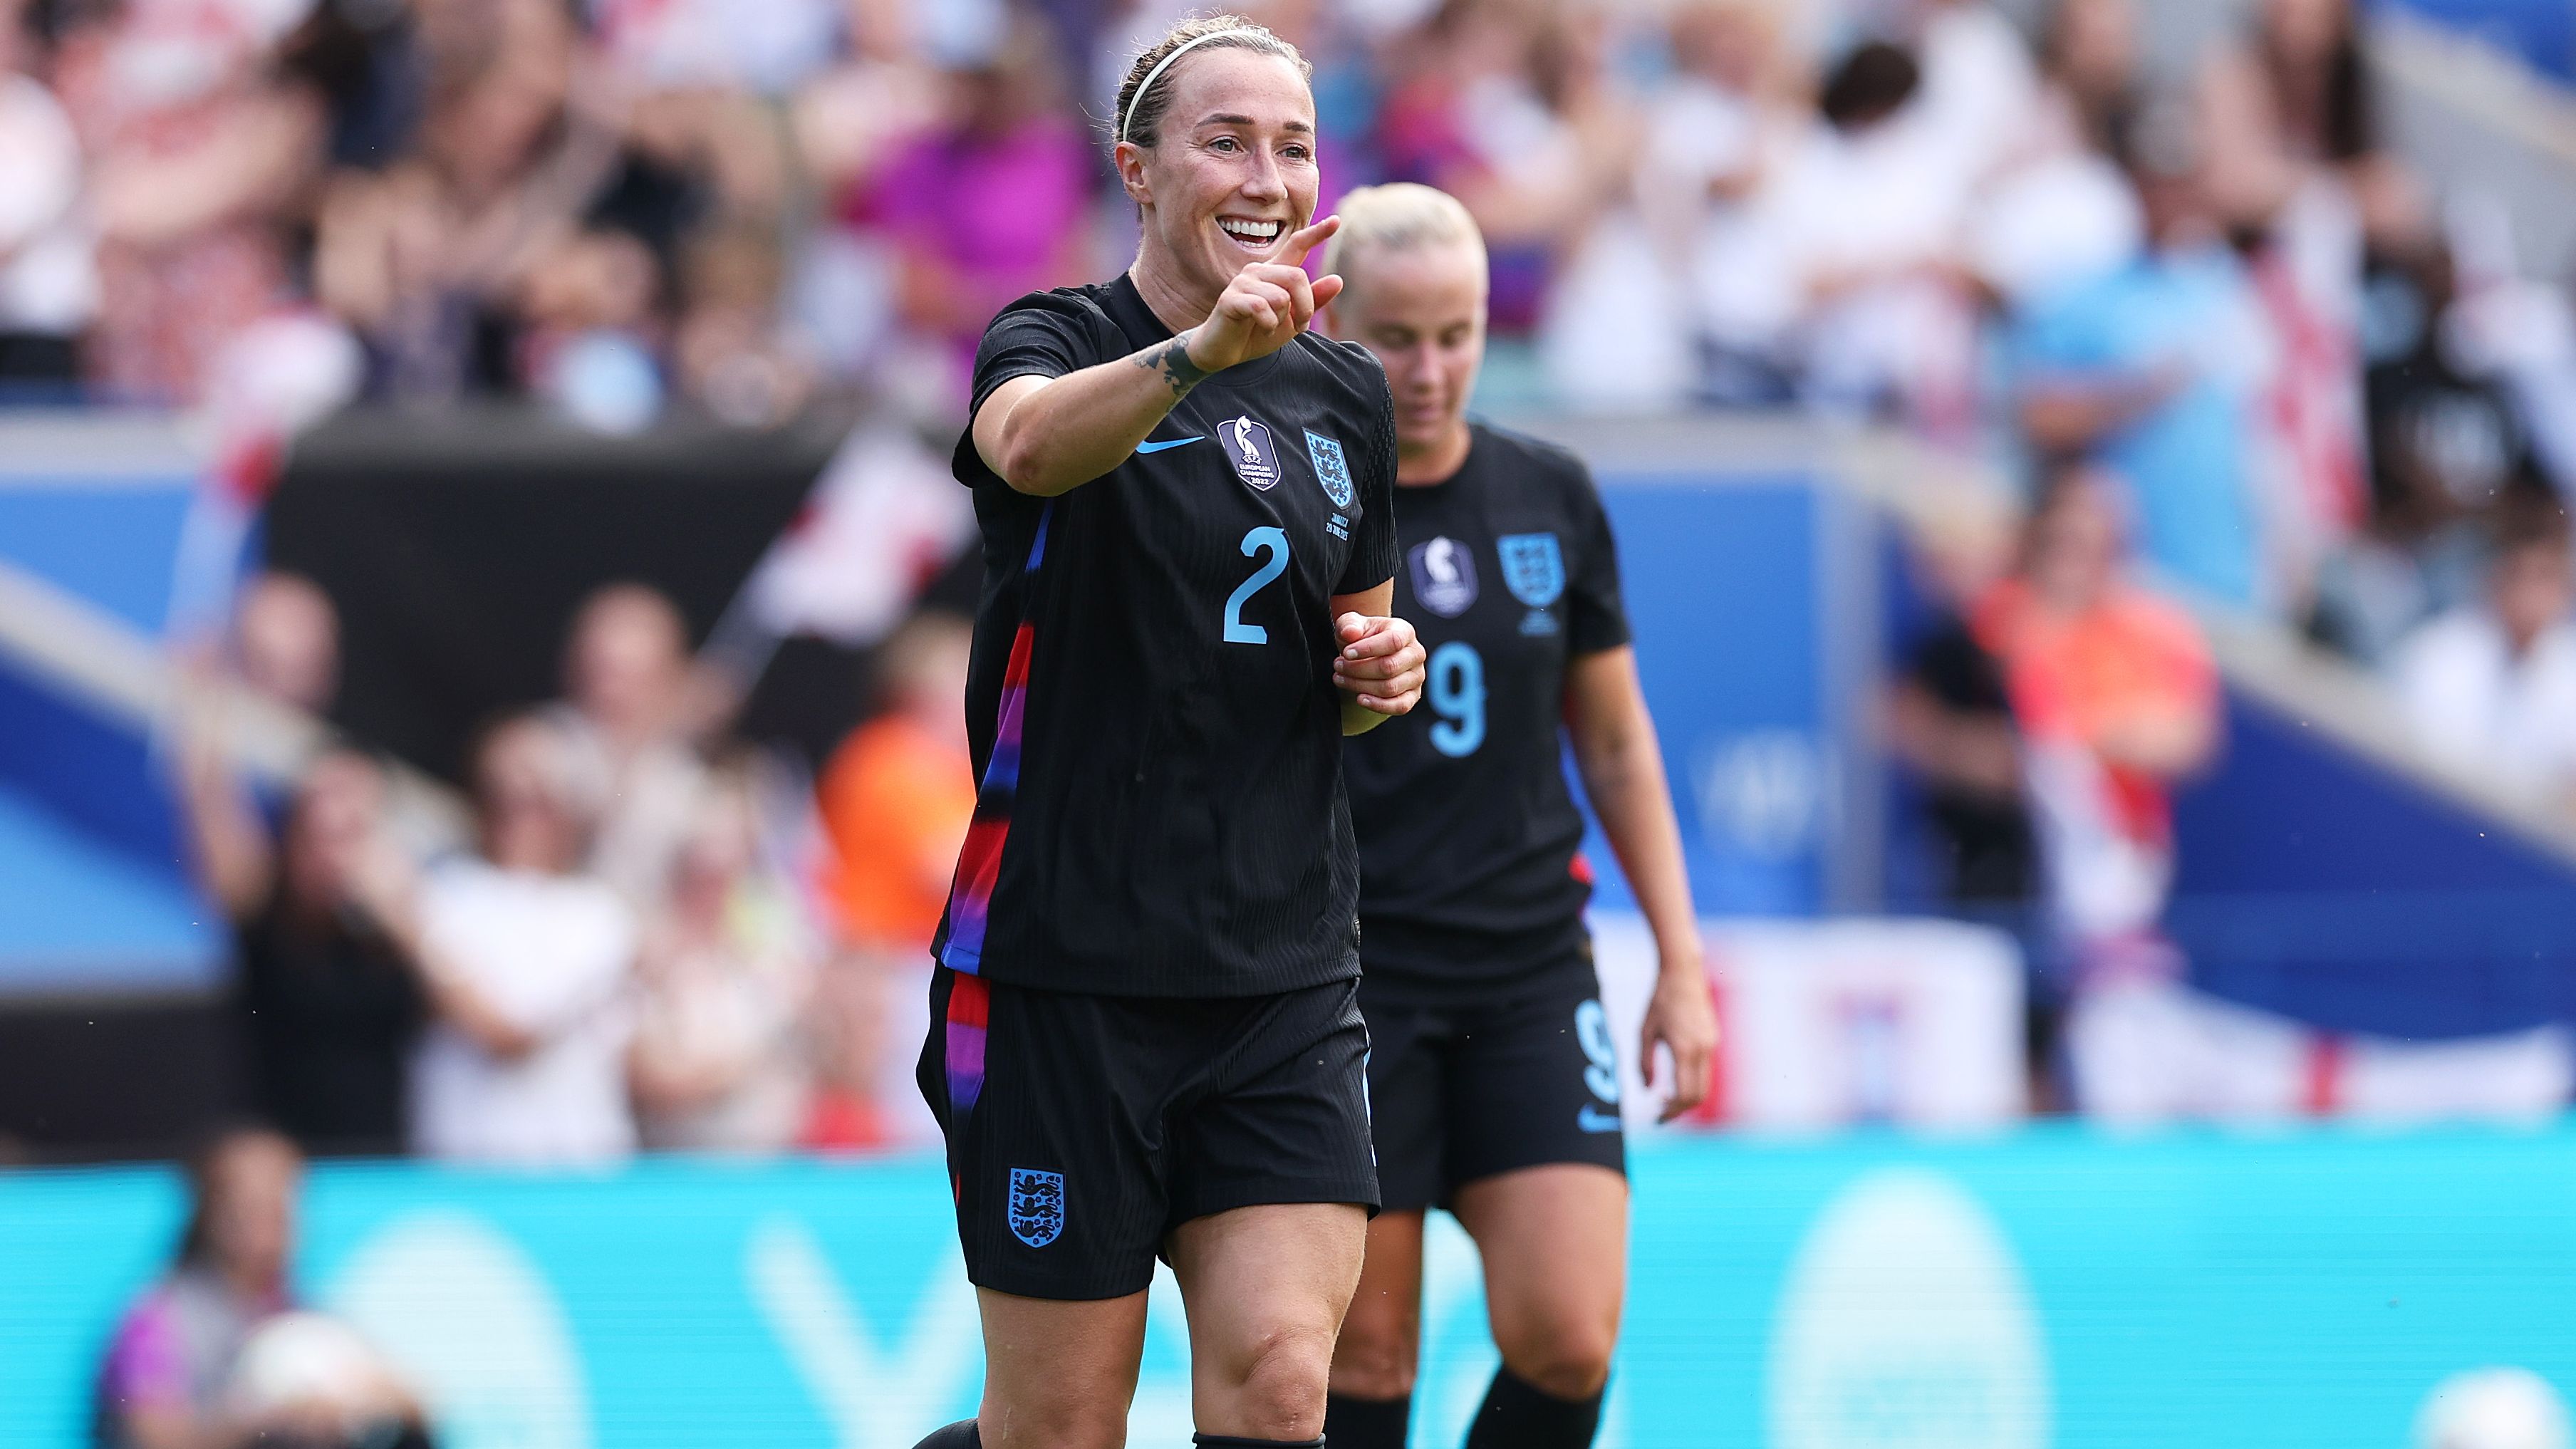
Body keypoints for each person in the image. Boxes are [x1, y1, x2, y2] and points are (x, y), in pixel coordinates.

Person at [913, 15, 1425, 1449]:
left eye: (1293, 145)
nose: (1267, 176)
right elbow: (1026, 449)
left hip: (1280, 980)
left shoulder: (1344, 395)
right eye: (1225, 140)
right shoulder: (1052, 337)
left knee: (1279, 1384)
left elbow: (1348, 665)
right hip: (1058, 973)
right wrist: (1201, 354)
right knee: (1059, 1423)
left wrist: (1380, 670)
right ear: (1136, 170)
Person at [1313, 182, 1715, 1449]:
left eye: (1459, 334)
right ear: (1334, 325)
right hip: (1348, 975)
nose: (1431, 370)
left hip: (1529, 961)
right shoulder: (1293, 499)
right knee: (1365, 1352)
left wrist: (1681, 961)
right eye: (1397, 337)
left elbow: (1615, 738)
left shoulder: (1550, 491)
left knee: (1570, 1335)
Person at [378, 714, 641, 1165]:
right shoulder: (444, 890)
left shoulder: (599, 913)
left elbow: (511, 1032)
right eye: (498, 792)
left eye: (534, 796)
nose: (514, 809)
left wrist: (414, 932)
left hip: (578, 1169)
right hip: (461, 1170)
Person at [93, 1126, 424, 1449]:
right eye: (251, 1208)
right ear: (210, 1214)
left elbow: (411, 1406)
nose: (271, 1226)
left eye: (282, 1206)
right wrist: (263, 1421)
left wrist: (369, 1403)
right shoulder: (158, 1321)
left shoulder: (303, 1312)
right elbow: (154, 1440)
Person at [188, 751, 427, 1157]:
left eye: (349, 832)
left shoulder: (406, 934)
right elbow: (210, 807)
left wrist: (404, 923)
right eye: (317, 832)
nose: (331, 854)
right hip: (283, 1167)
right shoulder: (264, 915)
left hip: (384, 1165)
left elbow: (491, 1027)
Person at [626, 762, 816, 1153]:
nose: (717, 875)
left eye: (734, 854)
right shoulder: (646, 946)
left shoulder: (775, 939)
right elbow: (648, 1079)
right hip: (675, 1160)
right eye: (704, 861)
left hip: (770, 1159)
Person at [2393, 503, 2576, 806]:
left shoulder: (2569, 675)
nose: (2532, 596)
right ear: (2495, 577)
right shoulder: (2438, 654)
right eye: (2520, 575)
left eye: (2546, 578)